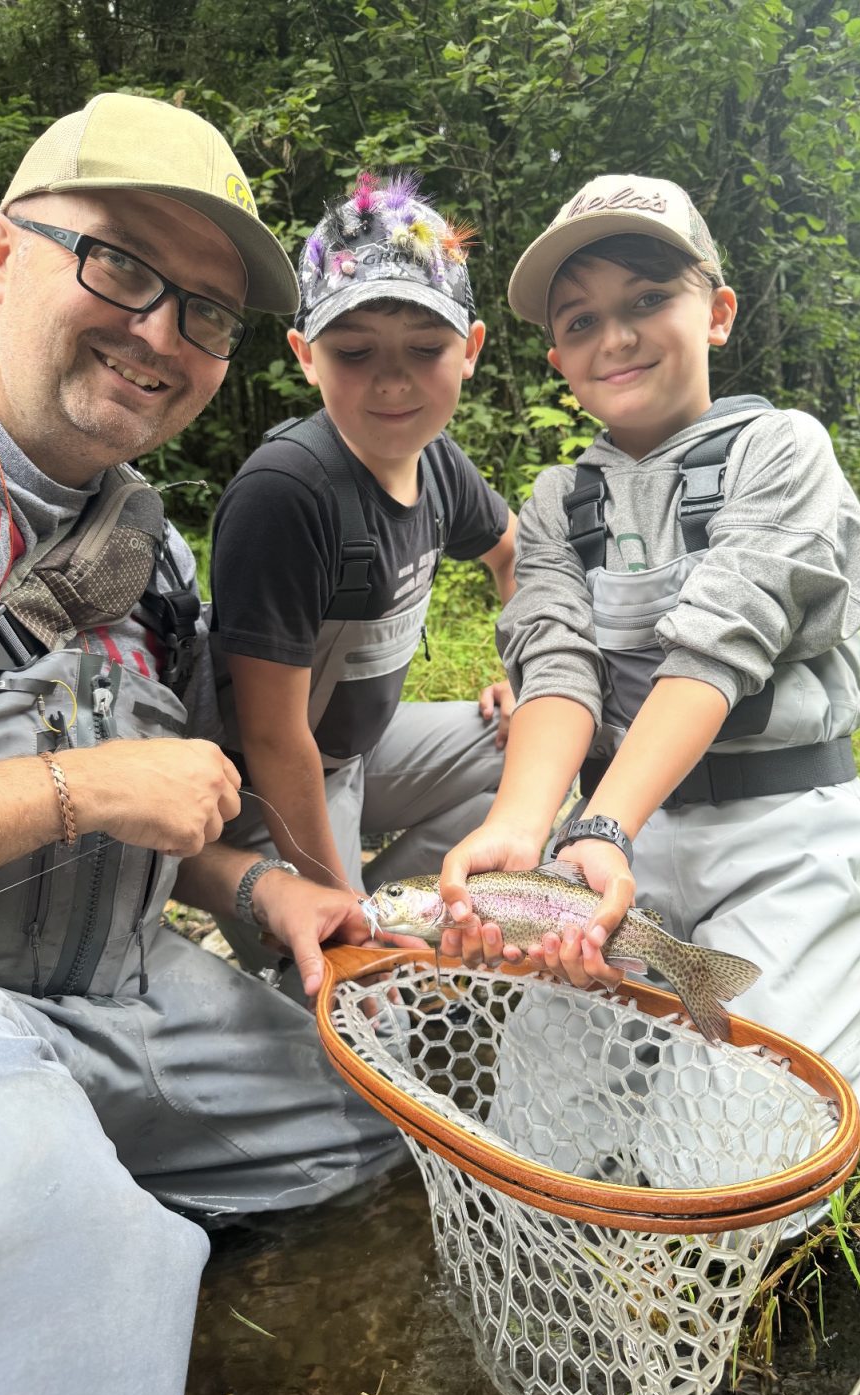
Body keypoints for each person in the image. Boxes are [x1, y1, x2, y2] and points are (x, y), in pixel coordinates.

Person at [0, 93, 412, 1395]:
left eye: (205, 311)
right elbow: (108, 790)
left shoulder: (151, 547)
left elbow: (179, 811)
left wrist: (268, 889)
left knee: (369, 1127)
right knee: (59, 1229)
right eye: (122, 265)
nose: (160, 333)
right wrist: (76, 787)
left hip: (115, 984)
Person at [438, 174, 860, 1112]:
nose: (614, 336)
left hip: (781, 831)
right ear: (557, 354)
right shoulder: (555, 505)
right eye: (579, 320)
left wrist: (599, 824)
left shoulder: (782, 449)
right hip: (614, 862)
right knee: (539, 1127)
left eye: (647, 300)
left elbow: (716, 647)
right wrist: (524, 836)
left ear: (717, 312)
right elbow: (555, 663)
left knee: (739, 1135)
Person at [209, 171, 516, 973]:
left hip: (359, 753)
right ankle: (349, 944)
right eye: (354, 353)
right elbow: (273, 739)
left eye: (425, 349)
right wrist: (331, 910)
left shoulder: (438, 460)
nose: (392, 381)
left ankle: (408, 921)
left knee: (534, 749)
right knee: (347, 1002)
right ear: (305, 357)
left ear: (471, 350)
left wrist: (528, 674)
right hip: (264, 790)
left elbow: (514, 555)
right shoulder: (287, 493)